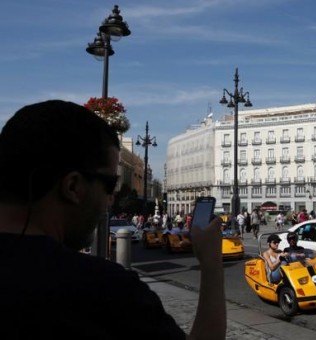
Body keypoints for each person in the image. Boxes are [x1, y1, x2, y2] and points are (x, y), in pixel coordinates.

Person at [0, 100, 225, 339]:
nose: (110, 200)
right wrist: (211, 264)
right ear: (73, 186)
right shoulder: (101, 290)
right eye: (110, 185)